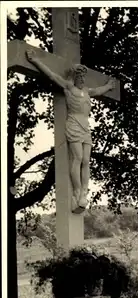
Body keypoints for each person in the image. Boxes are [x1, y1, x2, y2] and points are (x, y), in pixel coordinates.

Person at [26, 49, 115, 213]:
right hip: (73, 123)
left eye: (83, 77)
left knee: (86, 160)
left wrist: (109, 86)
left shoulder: (87, 91)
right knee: (78, 157)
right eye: (79, 76)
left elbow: (99, 90)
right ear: (74, 77)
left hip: (85, 126)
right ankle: (76, 191)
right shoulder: (68, 87)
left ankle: (83, 194)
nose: (81, 79)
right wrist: (36, 61)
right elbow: (52, 75)